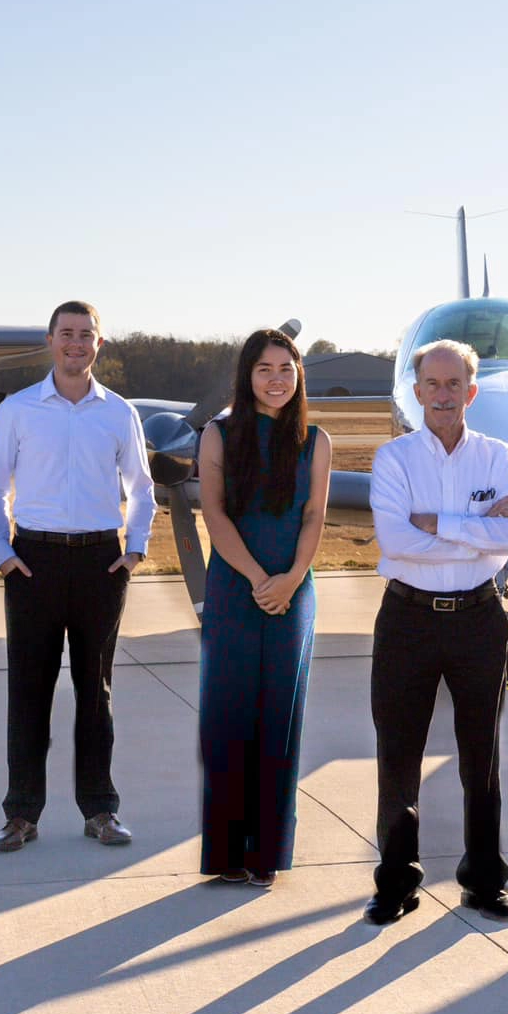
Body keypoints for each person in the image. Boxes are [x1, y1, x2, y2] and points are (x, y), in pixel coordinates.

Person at [364, 339, 508, 925]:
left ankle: (484, 881)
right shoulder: (393, 460)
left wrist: (437, 522)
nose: (442, 394)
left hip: (479, 621)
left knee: (480, 757)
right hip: (407, 620)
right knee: (398, 756)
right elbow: (397, 541)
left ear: (471, 391)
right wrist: (477, 526)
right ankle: (396, 881)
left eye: (453, 384)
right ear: (416, 393)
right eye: (432, 385)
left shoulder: (495, 456)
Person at [0, 301, 157, 853]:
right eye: (66, 334)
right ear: (50, 340)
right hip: (33, 562)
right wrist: (2, 553)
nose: (76, 343)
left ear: (98, 344)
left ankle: (100, 809)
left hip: (101, 563)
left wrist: (135, 551)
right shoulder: (20, 409)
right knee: (28, 692)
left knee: (95, 694)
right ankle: (21, 814)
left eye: (86, 335)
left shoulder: (118, 412)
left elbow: (142, 488)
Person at [196, 330, 331, 888]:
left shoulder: (316, 439)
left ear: (299, 374)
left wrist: (291, 579)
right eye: (264, 369)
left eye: (286, 368)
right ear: (246, 375)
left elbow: (315, 516)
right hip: (236, 588)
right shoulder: (219, 434)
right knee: (228, 716)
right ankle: (227, 853)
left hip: (293, 590)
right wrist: (258, 579)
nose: (276, 379)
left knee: (281, 718)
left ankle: (266, 854)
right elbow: (214, 514)